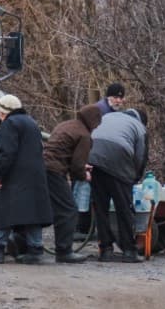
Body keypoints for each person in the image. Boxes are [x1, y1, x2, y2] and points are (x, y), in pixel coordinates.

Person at [0, 95, 53, 264]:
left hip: (16, 176)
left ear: (4, 111)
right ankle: (35, 250)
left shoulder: (10, 124)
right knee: (33, 212)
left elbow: (7, 153)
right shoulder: (31, 122)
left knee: (6, 211)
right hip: (35, 175)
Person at [42, 104, 102, 263]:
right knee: (68, 210)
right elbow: (76, 166)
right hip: (54, 171)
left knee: (44, 208)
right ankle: (64, 251)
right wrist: (84, 175)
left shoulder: (66, 125)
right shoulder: (84, 135)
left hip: (42, 168)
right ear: (93, 121)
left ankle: (23, 241)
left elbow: (63, 152)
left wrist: (80, 168)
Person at [88, 108, 148, 263]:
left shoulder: (108, 116)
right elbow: (140, 157)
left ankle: (105, 250)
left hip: (93, 156)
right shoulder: (139, 127)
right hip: (118, 156)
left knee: (101, 208)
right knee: (124, 207)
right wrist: (134, 178)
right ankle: (129, 251)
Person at [78, 82, 126, 237]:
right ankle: (82, 228)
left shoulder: (113, 111)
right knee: (86, 192)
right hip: (92, 154)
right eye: (115, 97)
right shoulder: (100, 110)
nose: (118, 100)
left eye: (121, 98)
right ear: (108, 97)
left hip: (100, 155)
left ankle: (89, 228)